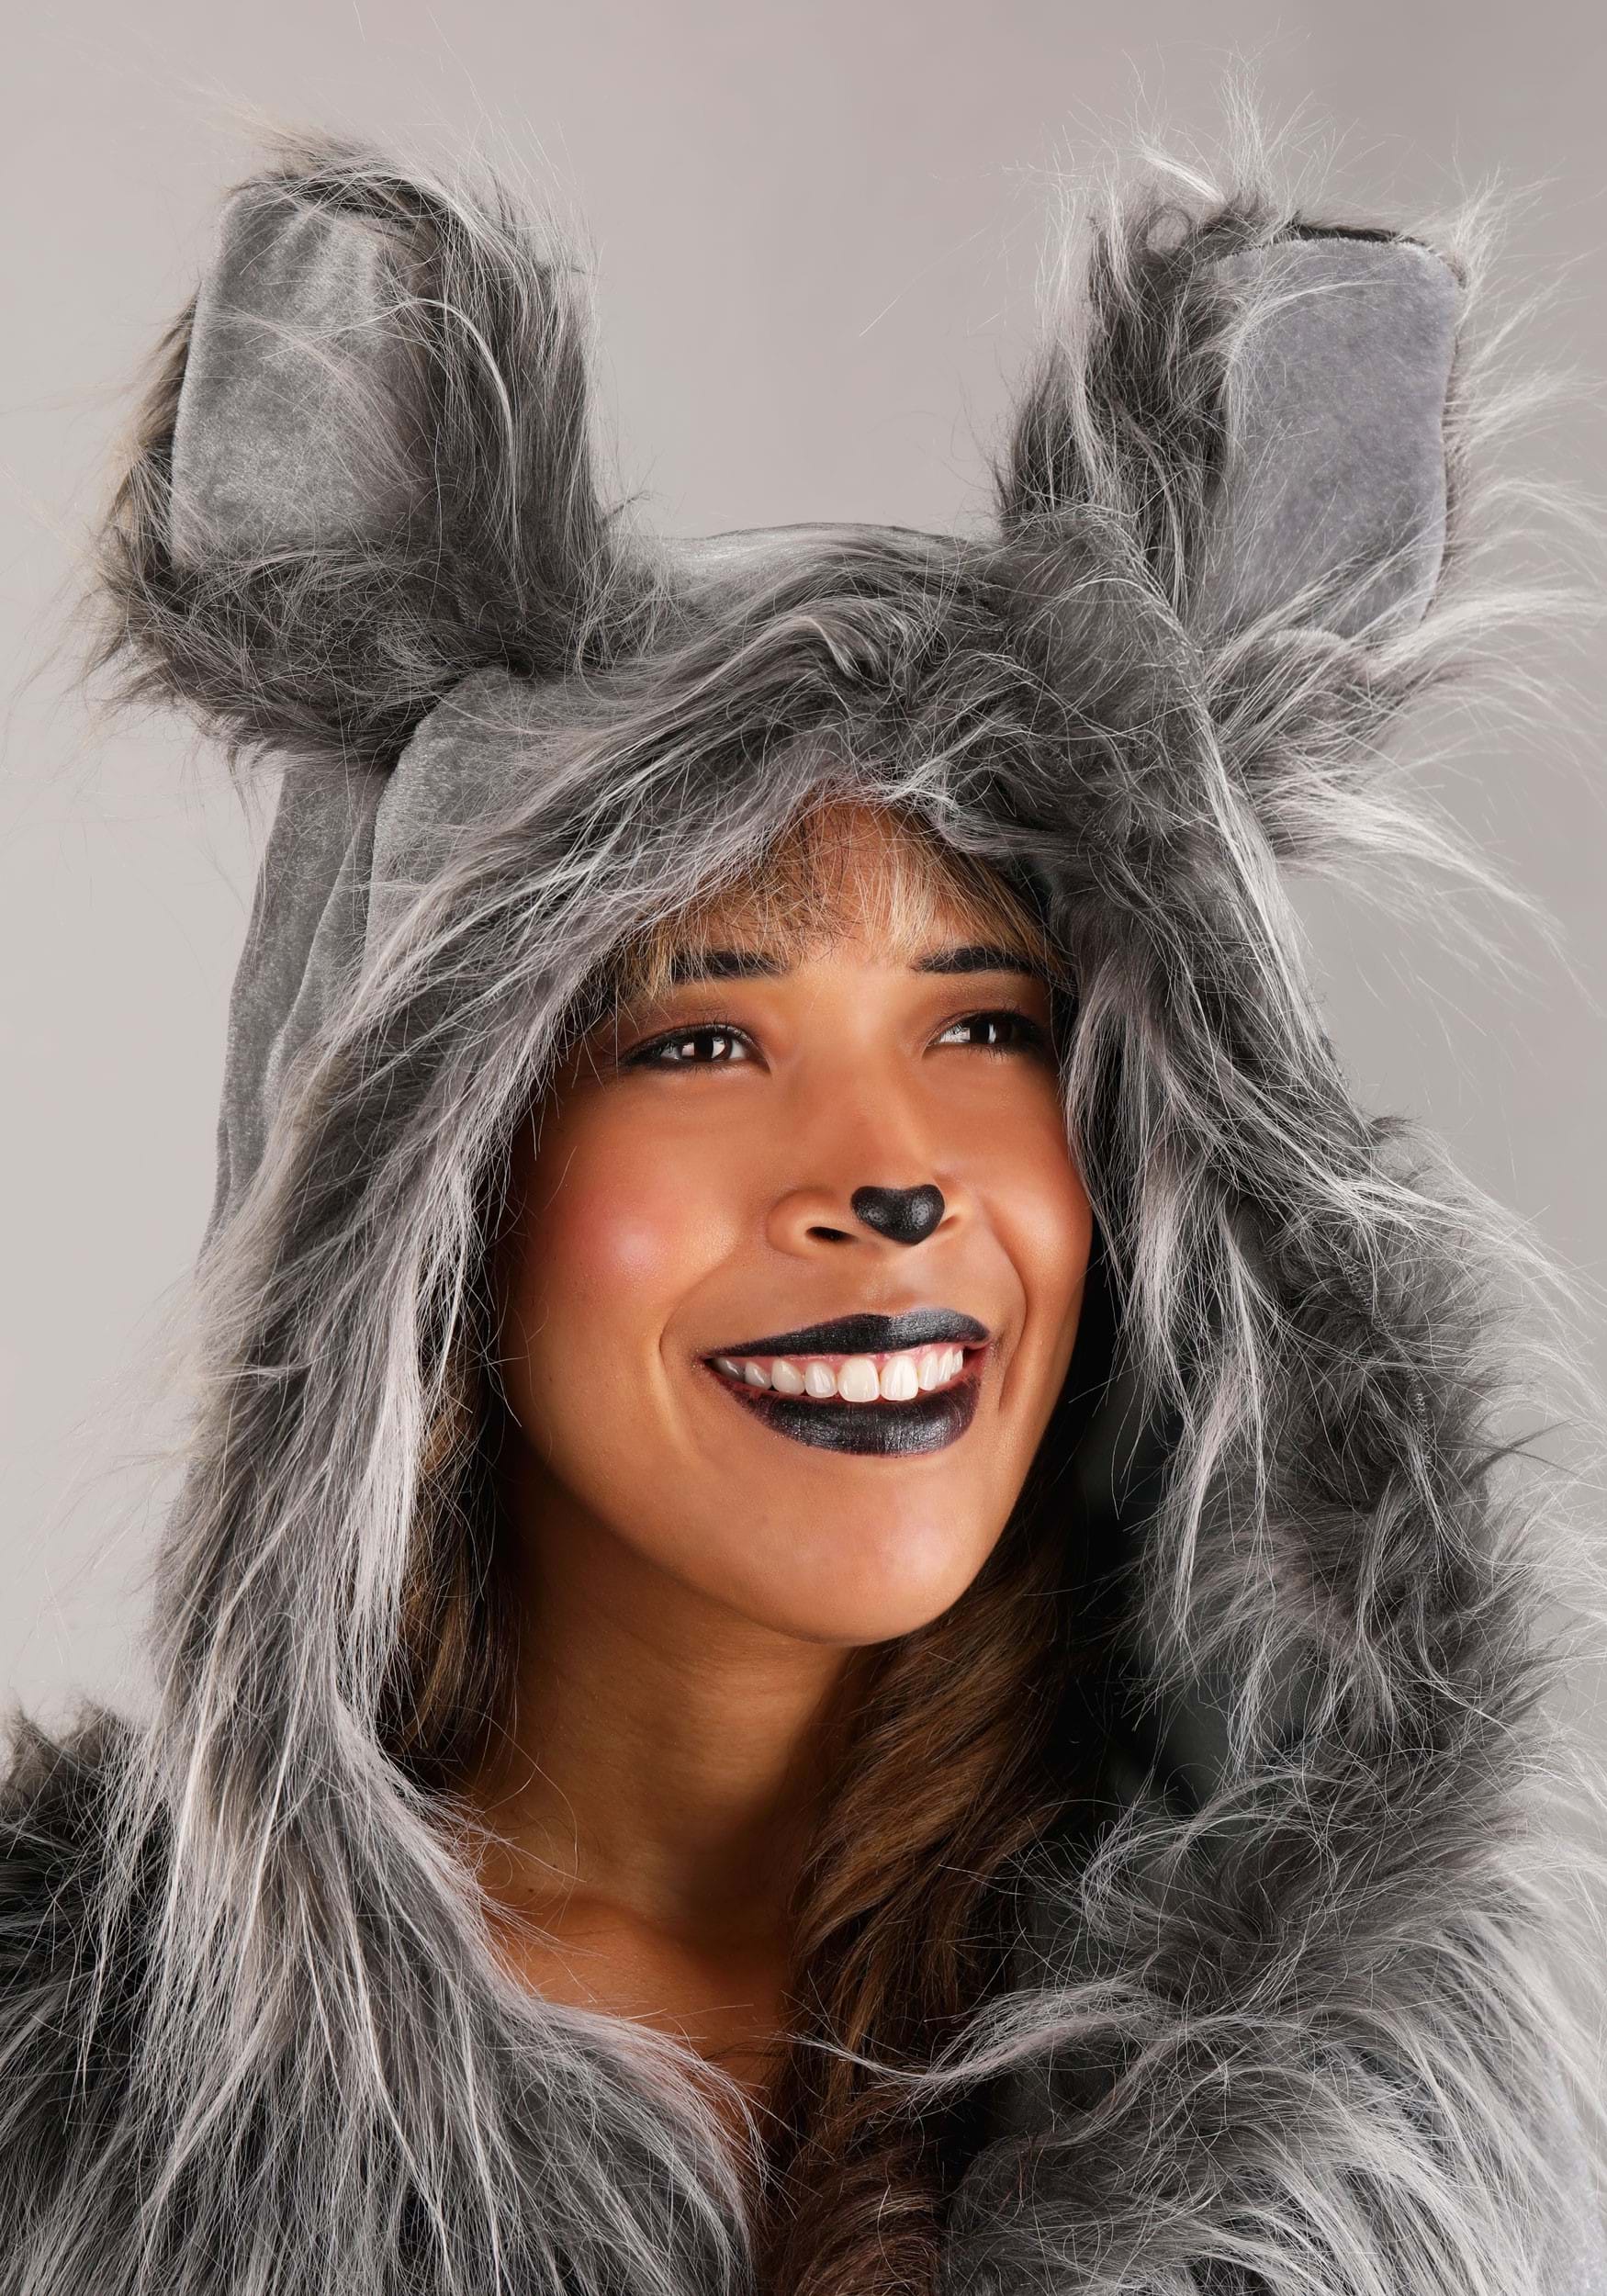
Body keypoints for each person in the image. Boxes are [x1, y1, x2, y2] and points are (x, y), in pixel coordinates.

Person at [3, 116, 1604, 2296]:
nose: (888, 1173)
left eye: (986, 1023)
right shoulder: (70, 2108)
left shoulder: (1365, 2122)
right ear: (418, 1193)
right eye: (698, 1038)